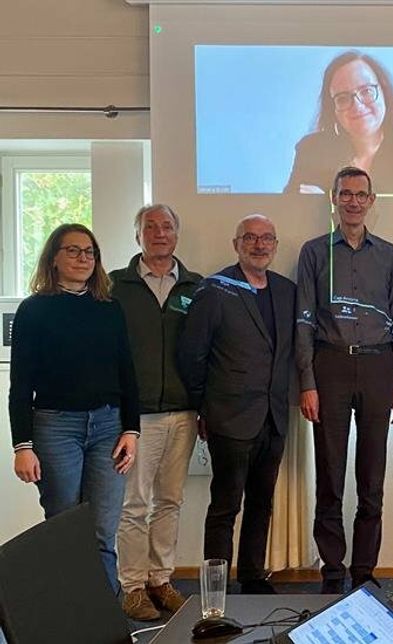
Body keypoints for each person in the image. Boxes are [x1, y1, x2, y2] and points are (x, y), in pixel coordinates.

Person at [296, 166, 393, 593]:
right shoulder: (313, 252)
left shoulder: (389, 254)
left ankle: (364, 571)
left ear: (371, 200)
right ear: (334, 199)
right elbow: (303, 322)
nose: (353, 201)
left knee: (372, 476)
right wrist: (307, 382)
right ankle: (332, 570)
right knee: (330, 474)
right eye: (345, 194)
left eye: (360, 194)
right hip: (330, 366)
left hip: (379, 367)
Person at [9, 223, 139, 595]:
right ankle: (67, 619)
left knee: (102, 530)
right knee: (64, 528)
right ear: (53, 258)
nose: (83, 258)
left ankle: (106, 622)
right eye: (73, 250)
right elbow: (20, 385)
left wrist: (131, 429)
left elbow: (127, 373)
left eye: (90, 252)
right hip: (54, 429)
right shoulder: (33, 311)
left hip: (108, 429)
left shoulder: (109, 308)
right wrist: (23, 446)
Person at [177, 214, 295, 595]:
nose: (259, 245)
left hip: (274, 417)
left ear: (275, 246)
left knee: (262, 503)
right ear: (236, 244)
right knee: (225, 508)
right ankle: (217, 589)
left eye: (267, 239)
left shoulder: (286, 291)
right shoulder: (215, 289)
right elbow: (193, 354)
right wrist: (203, 407)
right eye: (250, 238)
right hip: (229, 418)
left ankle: (252, 576)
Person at [111, 204, 202, 620]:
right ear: (138, 236)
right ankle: (131, 586)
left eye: (167, 226)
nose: (160, 233)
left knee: (169, 501)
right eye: (150, 227)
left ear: (177, 235)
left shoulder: (195, 287)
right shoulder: (115, 286)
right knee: (133, 504)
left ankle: (160, 580)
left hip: (184, 413)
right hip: (136, 418)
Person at [285, 50, 393, 195]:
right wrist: (311, 207)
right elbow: (286, 215)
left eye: (366, 91)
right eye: (343, 98)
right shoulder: (311, 150)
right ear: (333, 109)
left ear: (385, 93)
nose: (357, 106)